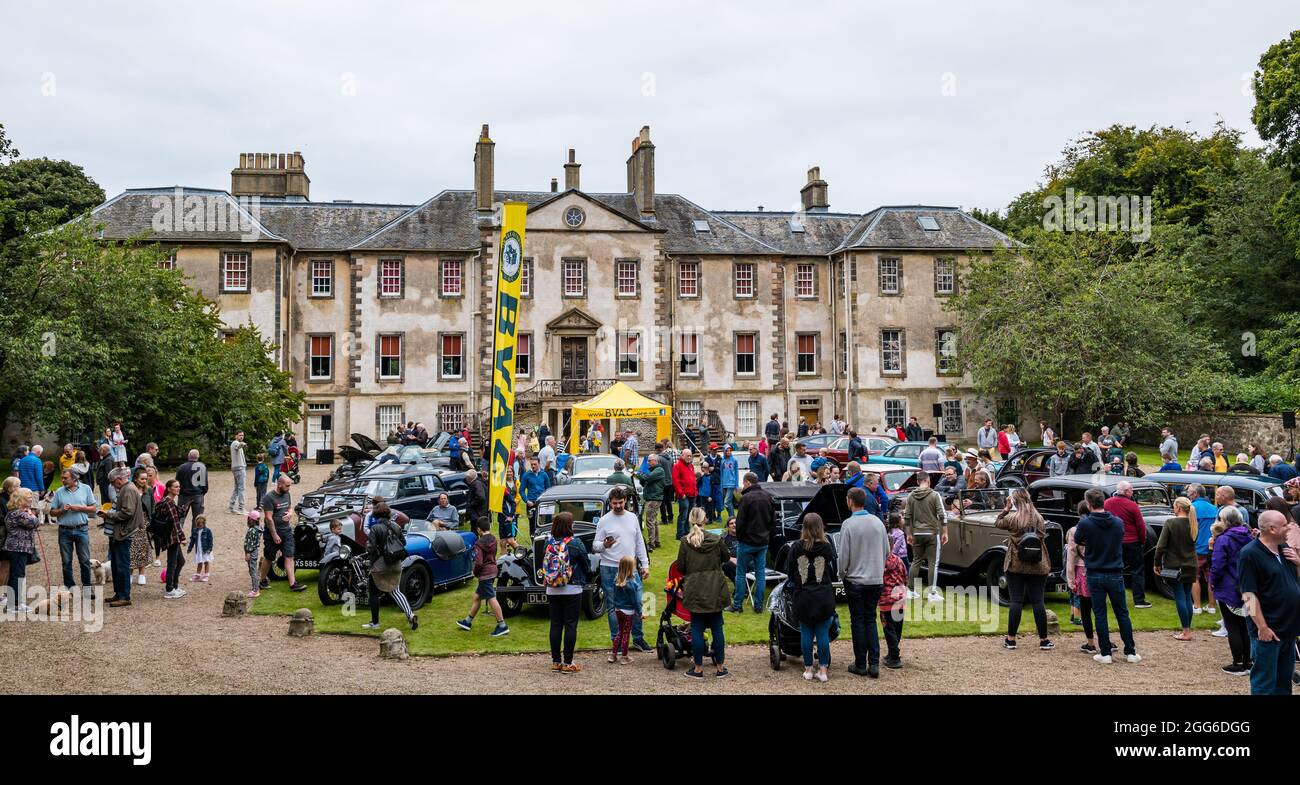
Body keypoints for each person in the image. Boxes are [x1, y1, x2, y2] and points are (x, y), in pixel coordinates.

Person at [1238, 510, 1300, 695]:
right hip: (1269, 631)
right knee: (1264, 684)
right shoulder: (1250, 554)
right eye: (1284, 525)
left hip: (1288, 629)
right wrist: (1262, 627)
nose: (1289, 527)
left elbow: (1293, 583)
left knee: (1283, 684)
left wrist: (1298, 563)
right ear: (1272, 529)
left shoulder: (1285, 549)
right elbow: (1248, 594)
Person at [1075, 488, 1139, 664]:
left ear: (1088, 504)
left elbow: (1078, 540)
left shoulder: (1086, 524)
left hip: (1096, 572)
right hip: (1115, 571)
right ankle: (1130, 651)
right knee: (1122, 613)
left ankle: (1105, 653)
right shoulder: (1117, 522)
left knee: (1100, 614)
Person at [592, 485, 651, 652]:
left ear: (625, 501)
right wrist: (604, 544)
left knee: (637, 602)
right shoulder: (604, 520)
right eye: (614, 503)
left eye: (621, 502)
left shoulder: (632, 518)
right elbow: (595, 546)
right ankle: (616, 641)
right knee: (612, 606)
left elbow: (639, 541)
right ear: (610, 502)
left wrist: (645, 564)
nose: (618, 506)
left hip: (631, 567)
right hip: (609, 567)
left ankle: (638, 638)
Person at [839, 486, 890, 677]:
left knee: (858, 621)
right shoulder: (877, 522)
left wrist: (842, 574)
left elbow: (843, 556)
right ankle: (874, 663)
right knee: (870, 619)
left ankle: (861, 663)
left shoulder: (848, 525)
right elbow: (887, 551)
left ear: (851, 501)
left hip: (856, 580)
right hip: (875, 579)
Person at [995, 488, 1053, 650]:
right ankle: (1044, 639)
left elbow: (998, 523)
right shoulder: (1039, 518)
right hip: (1038, 564)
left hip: (1016, 563)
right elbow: (1042, 535)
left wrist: (1005, 510)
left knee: (1016, 601)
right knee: (1038, 601)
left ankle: (1011, 639)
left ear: (1014, 502)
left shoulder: (1013, 518)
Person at [677, 506, 730, 678]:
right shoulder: (715, 539)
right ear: (705, 520)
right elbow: (727, 558)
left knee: (697, 629)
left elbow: (681, 566)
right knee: (717, 628)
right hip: (714, 587)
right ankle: (720, 667)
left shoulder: (686, 541)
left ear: (690, 520)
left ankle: (698, 668)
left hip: (695, 588)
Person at [786, 512, 838, 682]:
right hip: (823, 594)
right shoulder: (826, 546)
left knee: (806, 632)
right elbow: (832, 567)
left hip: (803, 594)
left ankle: (808, 668)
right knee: (822, 633)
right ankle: (823, 670)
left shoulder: (796, 547)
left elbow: (790, 574)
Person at [540, 512, 587, 673]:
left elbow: (544, 565)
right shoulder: (576, 543)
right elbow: (586, 564)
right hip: (572, 588)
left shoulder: (549, 543)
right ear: (570, 525)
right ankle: (567, 662)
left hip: (552, 588)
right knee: (570, 625)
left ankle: (555, 661)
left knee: (555, 625)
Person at [1209, 506, 1254, 675]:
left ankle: (1239, 662)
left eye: (1220, 519)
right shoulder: (1249, 536)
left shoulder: (1223, 539)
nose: (1218, 522)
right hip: (1248, 587)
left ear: (1226, 521)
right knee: (1247, 626)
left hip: (1229, 587)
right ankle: (1248, 661)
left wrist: (1213, 582)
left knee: (1233, 626)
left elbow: (1218, 565)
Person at [362, 506, 419, 632]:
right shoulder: (396, 526)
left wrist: (371, 561)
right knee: (395, 591)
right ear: (388, 514)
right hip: (396, 563)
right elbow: (403, 543)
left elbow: (371, 548)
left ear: (376, 516)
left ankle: (375, 623)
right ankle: (410, 615)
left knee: (373, 593)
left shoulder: (375, 528)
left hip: (380, 565)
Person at [728, 472, 773, 613]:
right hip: (762, 541)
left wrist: (740, 538)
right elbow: (773, 521)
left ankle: (737, 604)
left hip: (747, 542)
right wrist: (767, 536)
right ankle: (758, 606)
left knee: (740, 573)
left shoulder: (746, 498)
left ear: (747, 482)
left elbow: (740, 522)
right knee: (760, 574)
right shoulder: (768, 497)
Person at [455, 517, 508, 637]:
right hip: (493, 570)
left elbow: (478, 562)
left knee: (491, 598)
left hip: (484, 574)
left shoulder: (479, 544)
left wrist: (476, 572)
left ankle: (502, 625)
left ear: (479, 529)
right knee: (477, 596)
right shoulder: (494, 539)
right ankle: (468, 621)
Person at [1156, 496, 1199, 641]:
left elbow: (1160, 546)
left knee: (1180, 596)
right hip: (1191, 564)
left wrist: (1156, 563)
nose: (1173, 509)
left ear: (1179, 508)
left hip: (1175, 565)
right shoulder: (1193, 523)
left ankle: (1186, 632)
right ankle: (1188, 629)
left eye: (1174, 506)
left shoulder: (1171, 522)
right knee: (1187, 597)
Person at [100, 467, 144, 607]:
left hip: (124, 533)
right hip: (120, 532)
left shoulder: (128, 489)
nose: (112, 485)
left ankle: (124, 596)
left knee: (122, 565)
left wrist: (109, 515)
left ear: (119, 479)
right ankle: (119, 594)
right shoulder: (126, 488)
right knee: (116, 564)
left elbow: (127, 512)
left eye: (113, 482)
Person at [49, 467, 97, 592]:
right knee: (66, 561)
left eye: (66, 478)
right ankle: (70, 588)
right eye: (62, 478)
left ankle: (87, 588)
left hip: (82, 529)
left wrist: (79, 508)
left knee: (85, 561)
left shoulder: (86, 489)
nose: (63, 480)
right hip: (64, 531)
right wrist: (61, 510)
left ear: (75, 478)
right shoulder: (59, 491)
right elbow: (52, 512)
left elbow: (93, 508)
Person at [1103, 480, 1149, 609]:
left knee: (1114, 570)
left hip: (1114, 542)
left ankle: (1114, 598)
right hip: (1132, 541)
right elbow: (1140, 525)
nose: (1132, 492)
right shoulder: (1132, 505)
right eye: (1131, 490)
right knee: (1137, 571)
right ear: (1127, 491)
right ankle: (1139, 600)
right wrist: (1142, 540)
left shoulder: (1107, 503)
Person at [904, 472, 947, 602]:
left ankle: (910, 591)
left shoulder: (911, 496)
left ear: (918, 482)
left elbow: (907, 516)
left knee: (916, 561)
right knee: (933, 563)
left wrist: (909, 533)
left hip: (917, 533)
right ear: (928, 481)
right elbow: (942, 514)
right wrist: (945, 532)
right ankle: (932, 593)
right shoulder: (935, 495)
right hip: (932, 533)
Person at [259, 474, 305, 592]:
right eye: (287, 485)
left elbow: (289, 507)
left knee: (289, 556)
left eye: (289, 485)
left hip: (287, 531)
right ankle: (262, 580)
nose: (289, 488)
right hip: (272, 533)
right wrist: (274, 535)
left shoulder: (287, 494)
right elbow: (268, 518)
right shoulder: (269, 498)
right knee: (269, 557)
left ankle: (293, 584)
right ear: (279, 484)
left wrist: (290, 513)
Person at [3, 488, 40, 612]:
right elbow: (34, 522)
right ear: (20, 499)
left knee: (17, 574)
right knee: (17, 575)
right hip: (17, 548)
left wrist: (29, 512)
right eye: (28, 497)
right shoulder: (19, 513)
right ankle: (15, 604)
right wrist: (32, 514)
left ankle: (14, 602)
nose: (30, 499)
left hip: (18, 548)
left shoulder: (16, 512)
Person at [1065, 513, 1097, 654]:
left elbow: (1071, 557)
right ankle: (1105, 640)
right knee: (1099, 608)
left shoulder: (1074, 531)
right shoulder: (1101, 527)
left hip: (1083, 568)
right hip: (1100, 567)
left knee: (1086, 608)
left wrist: (1070, 579)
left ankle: (1091, 642)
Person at [1185, 483, 1218, 616]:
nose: (1187, 495)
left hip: (1197, 548)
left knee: (1194, 577)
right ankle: (1211, 606)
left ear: (1194, 494)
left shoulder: (1191, 509)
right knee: (1210, 577)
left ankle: (1197, 606)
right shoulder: (1215, 508)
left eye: (1189, 493)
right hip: (1212, 548)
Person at [155, 479, 187, 598]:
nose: (178, 488)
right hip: (172, 537)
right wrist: (182, 537)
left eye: (179, 486)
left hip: (170, 536)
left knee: (180, 561)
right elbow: (175, 522)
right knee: (172, 563)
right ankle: (169, 589)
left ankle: (175, 586)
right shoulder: (168, 502)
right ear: (168, 489)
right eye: (175, 487)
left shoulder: (167, 501)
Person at [607, 555, 640, 664]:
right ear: (631, 568)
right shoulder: (632, 584)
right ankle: (624, 657)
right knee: (626, 633)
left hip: (618, 610)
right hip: (628, 612)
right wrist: (639, 612)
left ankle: (613, 655)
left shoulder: (617, 581)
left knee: (619, 632)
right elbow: (635, 601)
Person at [636, 454, 667, 552]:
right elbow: (643, 481)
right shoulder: (653, 470)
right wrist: (642, 477)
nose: (648, 462)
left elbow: (647, 478)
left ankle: (651, 543)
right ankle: (656, 541)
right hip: (652, 497)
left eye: (649, 461)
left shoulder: (659, 470)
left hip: (654, 498)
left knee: (649, 521)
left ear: (655, 461)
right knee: (654, 521)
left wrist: (638, 474)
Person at [175, 449, 208, 534]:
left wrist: (179, 492)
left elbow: (177, 482)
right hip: (197, 495)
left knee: (181, 517)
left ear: (188, 456)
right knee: (197, 518)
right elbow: (205, 484)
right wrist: (202, 493)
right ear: (198, 457)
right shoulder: (202, 467)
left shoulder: (181, 467)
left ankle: (178, 534)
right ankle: (195, 535)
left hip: (184, 495)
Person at [671, 449, 697, 539]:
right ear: (682, 455)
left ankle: (687, 532)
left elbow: (693, 479)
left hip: (692, 494)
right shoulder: (677, 466)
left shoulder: (691, 465)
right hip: (684, 495)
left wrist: (695, 491)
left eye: (690, 456)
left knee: (689, 516)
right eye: (687, 455)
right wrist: (681, 494)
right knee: (683, 515)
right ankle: (680, 534)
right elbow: (675, 481)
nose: (689, 457)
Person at [187, 514, 213, 583]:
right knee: (199, 562)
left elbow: (210, 541)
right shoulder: (195, 531)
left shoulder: (208, 531)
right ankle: (198, 575)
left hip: (205, 550)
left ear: (204, 523)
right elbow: (192, 540)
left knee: (206, 562)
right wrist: (190, 548)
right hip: (198, 550)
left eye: (200, 525)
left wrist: (209, 549)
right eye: (197, 525)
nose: (199, 527)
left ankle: (206, 575)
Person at [244, 510, 263, 598]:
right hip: (254, 551)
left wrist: (247, 553)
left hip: (251, 552)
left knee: (253, 571)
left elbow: (250, 543)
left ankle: (255, 590)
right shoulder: (258, 529)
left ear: (251, 520)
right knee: (253, 570)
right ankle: (256, 587)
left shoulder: (252, 530)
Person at [228, 430, 248, 514]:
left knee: (237, 488)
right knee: (241, 488)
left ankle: (231, 507)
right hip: (239, 468)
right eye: (240, 435)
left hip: (237, 468)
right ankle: (241, 508)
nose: (241, 437)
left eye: (242, 435)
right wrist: (242, 444)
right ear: (236, 436)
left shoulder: (235, 443)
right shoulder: (235, 443)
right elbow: (238, 446)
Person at [719, 445, 739, 520]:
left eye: (730, 450)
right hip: (724, 484)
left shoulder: (734, 460)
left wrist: (736, 485)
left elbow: (736, 473)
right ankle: (732, 518)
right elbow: (721, 473)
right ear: (724, 451)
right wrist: (721, 485)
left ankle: (732, 518)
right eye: (727, 450)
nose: (728, 452)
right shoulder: (722, 461)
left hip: (731, 483)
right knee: (728, 503)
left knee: (726, 502)